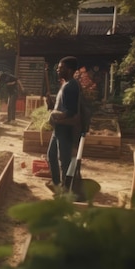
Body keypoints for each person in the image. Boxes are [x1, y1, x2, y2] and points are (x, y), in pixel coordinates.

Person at [46, 56, 81, 191]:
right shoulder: (65, 84)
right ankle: (57, 184)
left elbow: (70, 112)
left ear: (70, 70)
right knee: (51, 156)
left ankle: (66, 189)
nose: (58, 70)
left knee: (64, 161)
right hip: (59, 129)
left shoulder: (71, 86)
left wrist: (54, 114)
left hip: (66, 129)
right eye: (58, 68)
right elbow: (63, 106)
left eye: (61, 68)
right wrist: (52, 104)